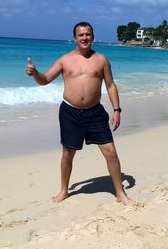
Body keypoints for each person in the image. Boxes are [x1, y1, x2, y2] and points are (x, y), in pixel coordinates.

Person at [26, 21, 131, 205]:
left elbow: (110, 85)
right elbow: (45, 80)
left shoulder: (101, 60)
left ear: (93, 36)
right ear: (74, 38)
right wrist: (35, 73)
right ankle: (64, 191)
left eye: (88, 34)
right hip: (70, 113)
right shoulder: (64, 60)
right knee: (68, 153)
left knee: (110, 151)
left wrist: (117, 109)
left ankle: (120, 193)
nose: (84, 38)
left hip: (95, 113)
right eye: (81, 35)